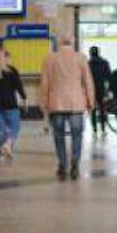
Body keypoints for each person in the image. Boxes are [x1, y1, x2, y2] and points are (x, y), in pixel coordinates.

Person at [40, 33, 96, 181]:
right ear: (73, 41)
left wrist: (44, 103)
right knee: (77, 135)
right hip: (76, 104)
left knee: (58, 136)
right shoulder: (81, 58)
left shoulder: (49, 58)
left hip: (56, 103)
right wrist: (91, 101)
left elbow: (45, 82)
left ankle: (62, 165)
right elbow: (88, 81)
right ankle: (75, 164)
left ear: (59, 41)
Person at [88, 46, 112, 138]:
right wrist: (109, 89)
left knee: (93, 111)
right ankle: (103, 129)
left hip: (91, 90)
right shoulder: (104, 63)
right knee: (103, 110)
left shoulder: (88, 64)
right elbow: (109, 77)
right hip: (102, 89)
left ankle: (94, 130)